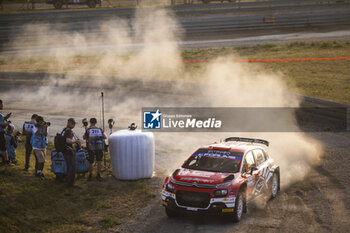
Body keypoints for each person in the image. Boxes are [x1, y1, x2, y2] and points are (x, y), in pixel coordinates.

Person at [62, 118, 80, 188]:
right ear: (69, 123)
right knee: (72, 168)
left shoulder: (64, 129)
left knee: (69, 167)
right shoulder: (69, 131)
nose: (74, 125)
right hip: (69, 151)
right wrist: (75, 141)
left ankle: (69, 182)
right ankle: (70, 185)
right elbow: (68, 140)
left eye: (74, 124)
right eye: (73, 124)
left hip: (65, 151)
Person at [0, 100, 11, 165]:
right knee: (3, 148)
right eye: (1, 104)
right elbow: (1, 123)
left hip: (1, 132)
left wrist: (5, 117)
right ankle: (6, 161)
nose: (2, 105)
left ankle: (5, 161)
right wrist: (7, 123)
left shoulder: (0, 114)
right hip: (0, 133)